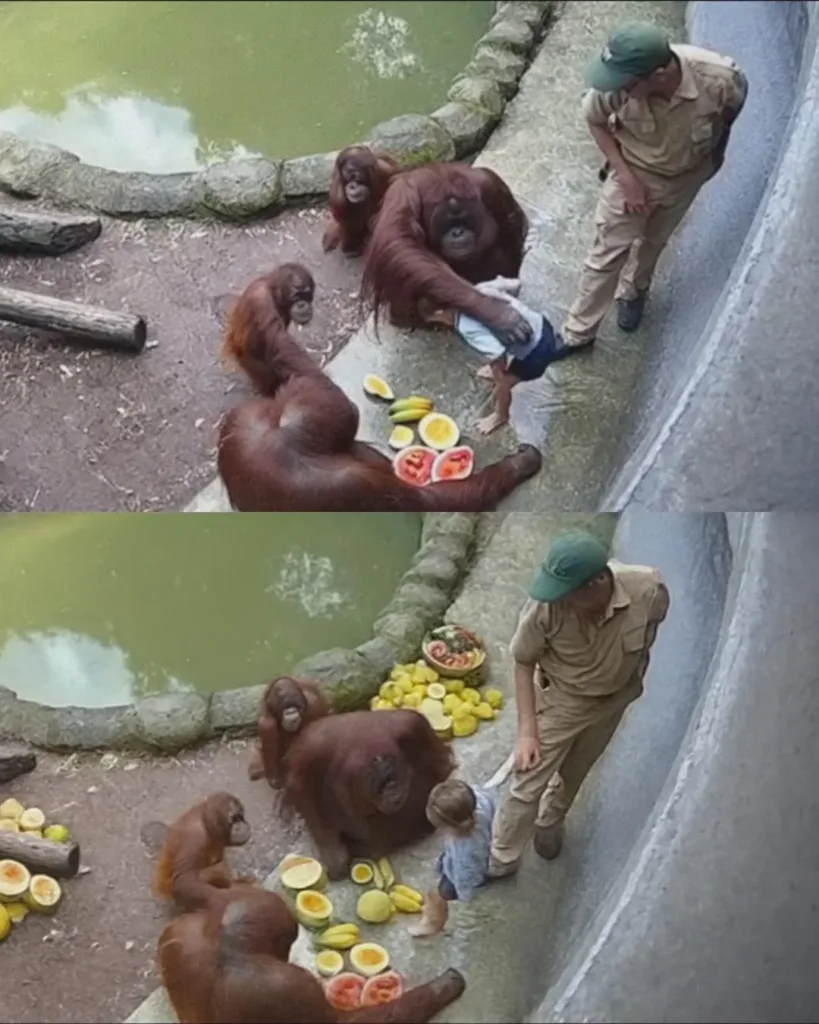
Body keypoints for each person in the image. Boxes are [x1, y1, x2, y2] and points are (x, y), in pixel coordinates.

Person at [557, 22, 748, 353]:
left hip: (686, 175)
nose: (616, 86)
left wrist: (716, 157)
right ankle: (578, 332)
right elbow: (595, 120)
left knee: (655, 240)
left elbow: (731, 109)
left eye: (626, 81)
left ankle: (634, 291)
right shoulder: (615, 88)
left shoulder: (719, 78)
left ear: (658, 74)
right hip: (633, 171)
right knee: (607, 252)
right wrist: (626, 178)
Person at [488, 531, 670, 877]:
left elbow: (649, 634)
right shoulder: (544, 610)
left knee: (576, 770)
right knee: (528, 782)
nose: (559, 600)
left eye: (566, 593)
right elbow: (523, 662)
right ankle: (503, 857)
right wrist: (527, 732)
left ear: (597, 583)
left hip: (614, 699)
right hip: (562, 701)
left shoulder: (648, 591)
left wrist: (628, 678)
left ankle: (551, 821)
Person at [422, 278, 562, 435]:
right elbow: (515, 284)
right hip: (541, 324)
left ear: (440, 312)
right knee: (501, 355)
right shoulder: (477, 290)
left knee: (503, 382)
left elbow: (498, 355)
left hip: (537, 351)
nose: (441, 325)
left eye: (437, 321)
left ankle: (500, 417)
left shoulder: (467, 327)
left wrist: (499, 375)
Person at [408, 778, 496, 938]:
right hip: (471, 853)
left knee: (440, 892)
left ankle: (434, 923)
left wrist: (465, 900)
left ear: (453, 828)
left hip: (462, 873)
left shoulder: (466, 853)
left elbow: (467, 880)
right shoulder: (478, 801)